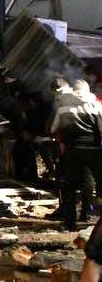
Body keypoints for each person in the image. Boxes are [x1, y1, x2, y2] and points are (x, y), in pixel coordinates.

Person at [54, 80, 102, 231]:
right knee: (91, 181)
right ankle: (87, 214)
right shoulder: (96, 105)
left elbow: (53, 128)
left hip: (72, 149)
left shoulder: (63, 107)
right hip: (93, 148)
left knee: (70, 184)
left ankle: (70, 221)